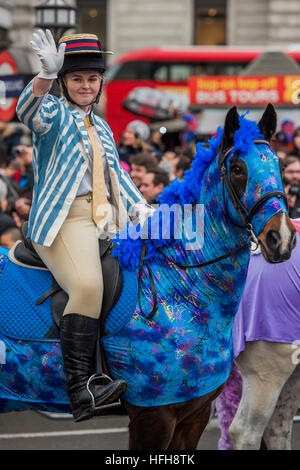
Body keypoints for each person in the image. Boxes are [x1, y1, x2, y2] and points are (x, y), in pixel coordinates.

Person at [16, 29, 153, 423]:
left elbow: (120, 179)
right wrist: (43, 76)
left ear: (101, 83)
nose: (85, 85)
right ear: (64, 81)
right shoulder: (55, 113)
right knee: (88, 285)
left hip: (105, 217)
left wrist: (146, 212)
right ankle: (81, 389)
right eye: (76, 78)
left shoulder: (104, 127)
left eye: (92, 78)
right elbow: (27, 111)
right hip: (64, 219)